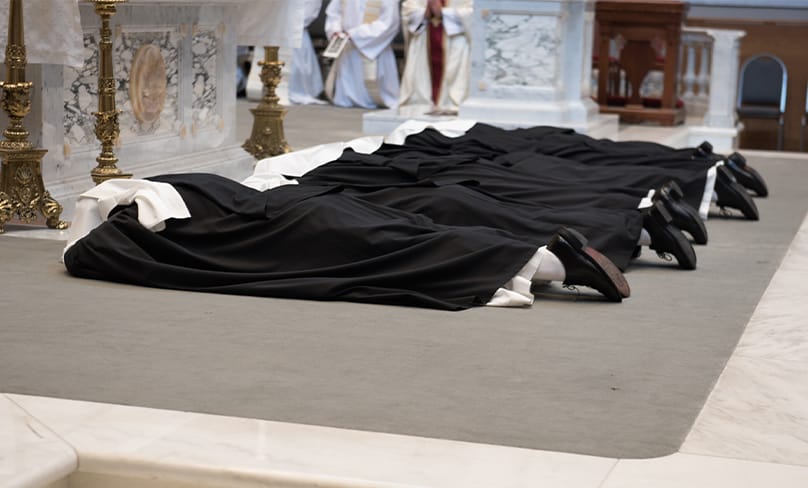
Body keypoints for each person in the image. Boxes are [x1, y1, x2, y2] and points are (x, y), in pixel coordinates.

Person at [324, 0, 401, 108]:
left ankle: (374, 99)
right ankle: (346, 97)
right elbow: (334, 12)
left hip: (373, 48)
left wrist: (355, 34)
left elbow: (389, 22)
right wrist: (335, 30)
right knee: (344, 98)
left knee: (374, 94)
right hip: (347, 46)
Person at [398, 0, 472, 112]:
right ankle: (422, 103)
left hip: (455, 41)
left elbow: (474, 12)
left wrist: (444, 13)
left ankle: (450, 103)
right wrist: (423, 13)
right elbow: (408, 9)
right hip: (424, 37)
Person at [288, 0, 327, 105]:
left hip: (296, 30)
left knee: (297, 65)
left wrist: (289, 22)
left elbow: (310, 10)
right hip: (277, 29)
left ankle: (297, 89)